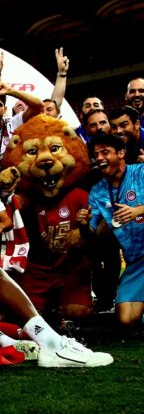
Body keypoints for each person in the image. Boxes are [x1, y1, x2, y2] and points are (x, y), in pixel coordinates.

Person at [85, 134, 144, 326]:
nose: (99, 158)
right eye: (96, 155)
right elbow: (90, 233)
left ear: (121, 153)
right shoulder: (97, 191)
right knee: (125, 318)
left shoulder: (141, 172)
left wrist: (138, 211)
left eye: (105, 152)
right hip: (137, 261)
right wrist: (83, 224)